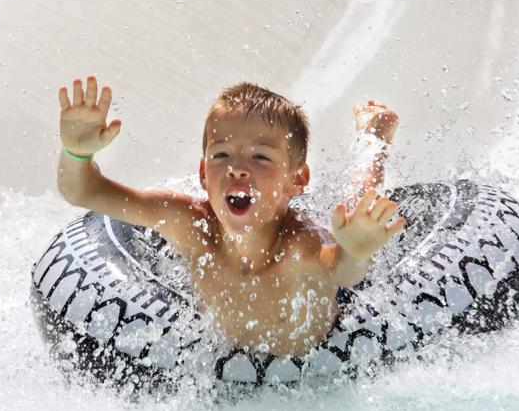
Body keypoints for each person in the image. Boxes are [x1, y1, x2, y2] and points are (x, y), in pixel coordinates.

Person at [57, 77, 405, 357]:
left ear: (296, 180)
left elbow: (344, 273)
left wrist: (357, 248)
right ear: (203, 173)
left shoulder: (299, 246)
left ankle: (373, 140)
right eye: (221, 154)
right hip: (234, 358)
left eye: (260, 157)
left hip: (323, 348)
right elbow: (83, 192)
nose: (238, 168)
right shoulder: (189, 224)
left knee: (356, 216)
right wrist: (76, 153)